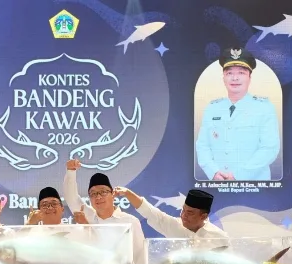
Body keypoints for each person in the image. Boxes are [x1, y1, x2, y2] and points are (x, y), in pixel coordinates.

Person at [195, 47, 280, 181]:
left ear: (249, 78)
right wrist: (213, 172)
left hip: (255, 185)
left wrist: (238, 176)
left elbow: (270, 148)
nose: (235, 78)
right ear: (223, 78)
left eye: (241, 73)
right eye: (229, 73)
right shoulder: (212, 108)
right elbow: (203, 145)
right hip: (219, 184)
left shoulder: (264, 108)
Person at [63, 159, 147, 264]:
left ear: (112, 195)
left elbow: (140, 257)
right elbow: (71, 198)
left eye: (103, 192)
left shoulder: (130, 221)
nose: (98, 197)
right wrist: (70, 171)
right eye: (93, 194)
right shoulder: (88, 216)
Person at [114, 187, 228, 239]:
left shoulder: (219, 237)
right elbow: (151, 212)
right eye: (183, 210)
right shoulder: (176, 226)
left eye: (190, 213)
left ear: (203, 216)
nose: (183, 215)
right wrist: (128, 193)